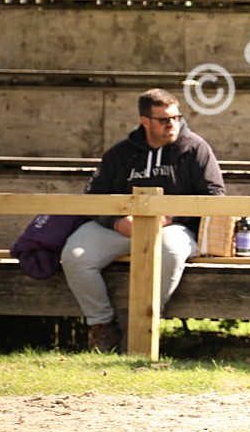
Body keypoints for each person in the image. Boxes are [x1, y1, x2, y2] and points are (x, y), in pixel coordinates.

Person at [61, 89, 226, 352]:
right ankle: (102, 326)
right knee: (75, 255)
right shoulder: (121, 153)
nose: (172, 124)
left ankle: (144, 321)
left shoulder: (195, 148)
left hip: (173, 228)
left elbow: (215, 196)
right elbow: (93, 196)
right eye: (164, 119)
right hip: (123, 228)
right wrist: (116, 221)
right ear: (145, 121)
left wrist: (171, 216)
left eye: (176, 117)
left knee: (169, 251)